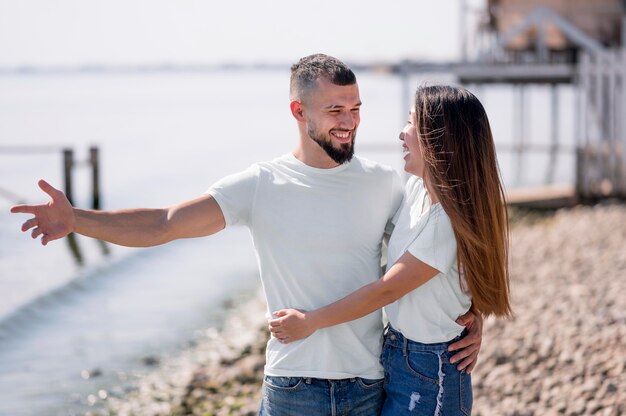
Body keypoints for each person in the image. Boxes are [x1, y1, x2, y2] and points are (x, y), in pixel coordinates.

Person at [10, 55, 483, 416]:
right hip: (294, 386)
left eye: (355, 108)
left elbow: (439, 246)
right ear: (300, 111)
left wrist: (469, 315)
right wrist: (78, 220)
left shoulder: (387, 183)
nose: (349, 122)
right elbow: (166, 222)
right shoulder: (261, 185)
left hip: (370, 382)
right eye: (335, 109)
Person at [269, 85, 511, 415]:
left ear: (440, 140)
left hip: (431, 369)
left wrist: (310, 321)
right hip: (395, 354)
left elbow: (386, 291)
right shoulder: (415, 190)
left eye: (412, 124)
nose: (401, 133)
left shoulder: (445, 223)